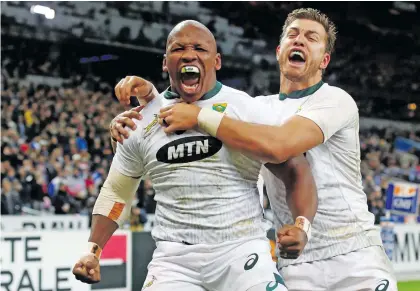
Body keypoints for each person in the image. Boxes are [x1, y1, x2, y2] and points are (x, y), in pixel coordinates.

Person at [110, 9, 397, 291]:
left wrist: (198, 117)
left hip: (353, 252)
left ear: (324, 60)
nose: (299, 41)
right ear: (278, 50)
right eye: (292, 35)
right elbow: (189, 119)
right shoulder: (254, 108)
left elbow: (278, 145)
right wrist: (145, 109)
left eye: (311, 38)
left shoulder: (335, 99)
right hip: (296, 261)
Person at [73, 20, 318, 291]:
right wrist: (93, 250)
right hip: (174, 260)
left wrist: (302, 225)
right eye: (179, 49)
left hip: (240, 251)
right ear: (166, 63)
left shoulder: (247, 109)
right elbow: (117, 193)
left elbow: (295, 168)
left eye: (200, 48)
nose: (189, 54)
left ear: (217, 61)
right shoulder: (138, 123)